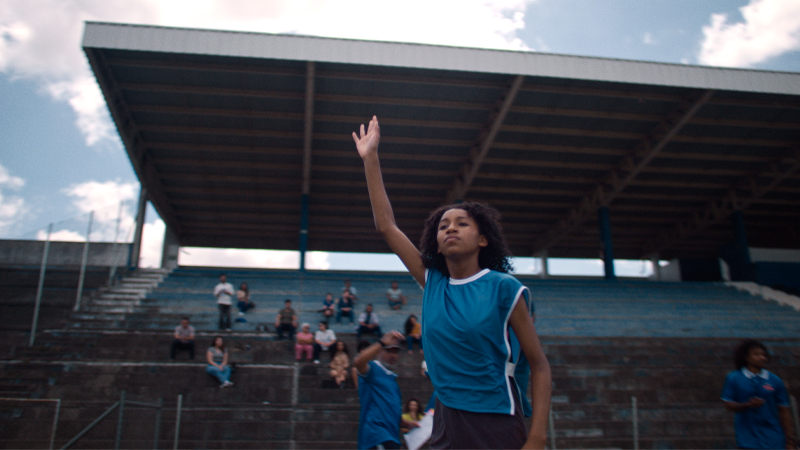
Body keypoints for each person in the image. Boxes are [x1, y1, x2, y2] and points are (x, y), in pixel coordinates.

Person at [353, 116, 552, 449]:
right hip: (446, 420)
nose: (450, 229)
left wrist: (537, 437)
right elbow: (386, 225)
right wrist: (370, 158)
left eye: (462, 223)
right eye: (444, 225)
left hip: (497, 421)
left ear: (483, 239)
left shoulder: (503, 288)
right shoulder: (433, 283)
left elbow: (540, 365)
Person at [721, 339, 796, 449]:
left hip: (773, 438)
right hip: (747, 439)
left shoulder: (775, 380)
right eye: (756, 354)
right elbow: (728, 404)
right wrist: (747, 405)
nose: (762, 358)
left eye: (763, 355)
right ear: (746, 357)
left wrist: (789, 440)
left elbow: (784, 410)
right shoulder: (734, 378)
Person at [354, 331, 418, 449]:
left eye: (396, 351)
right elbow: (358, 361)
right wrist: (381, 342)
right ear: (379, 351)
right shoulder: (372, 368)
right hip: (377, 436)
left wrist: (404, 422)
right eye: (388, 350)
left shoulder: (391, 378)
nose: (393, 355)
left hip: (390, 436)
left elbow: (388, 409)